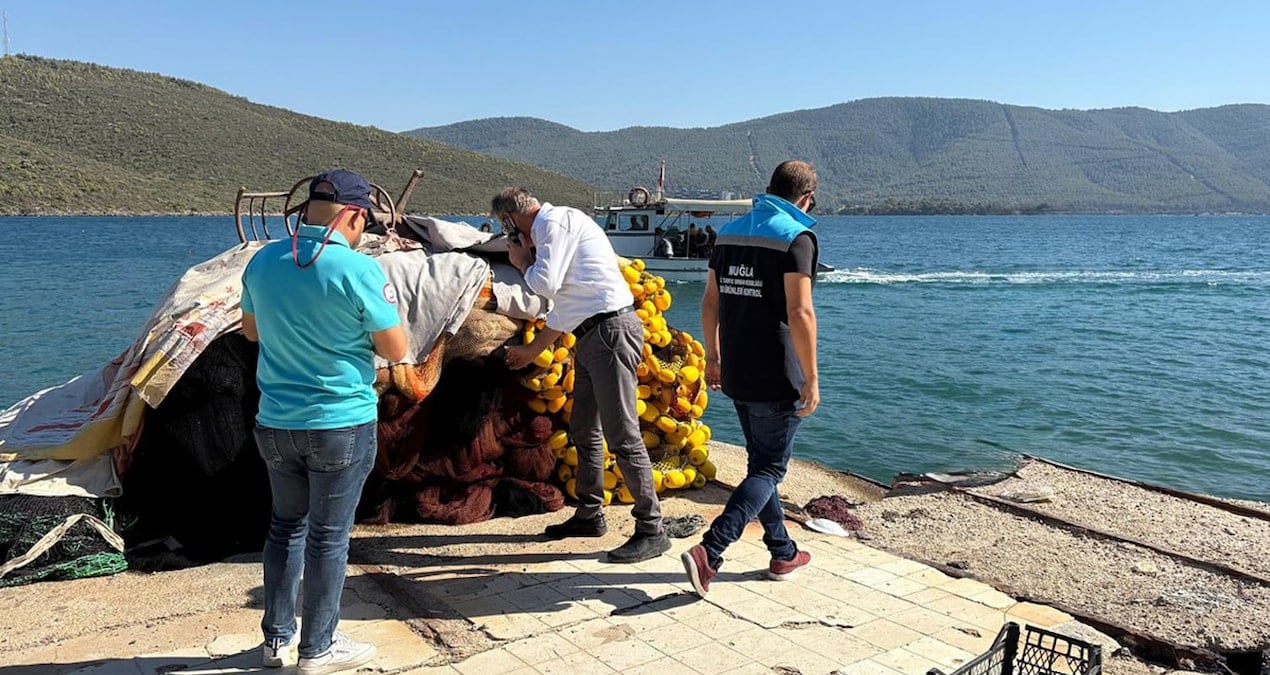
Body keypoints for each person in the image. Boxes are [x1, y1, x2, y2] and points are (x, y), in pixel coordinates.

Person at [241, 169, 409, 673]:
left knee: (284, 529)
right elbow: (395, 350)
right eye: (366, 223)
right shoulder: (359, 270)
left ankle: (275, 643)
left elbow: (251, 333)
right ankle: (318, 648)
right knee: (329, 538)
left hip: (274, 422)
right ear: (354, 216)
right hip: (340, 422)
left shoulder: (263, 260)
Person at [493, 186, 669, 564]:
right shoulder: (560, 223)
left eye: (504, 226)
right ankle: (590, 514)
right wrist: (534, 350)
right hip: (592, 334)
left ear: (509, 220)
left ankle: (652, 529)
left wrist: (523, 260)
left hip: (609, 332)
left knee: (623, 434)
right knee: (584, 429)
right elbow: (568, 306)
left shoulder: (552, 226)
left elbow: (546, 285)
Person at [681, 160, 820, 597]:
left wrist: (713, 357)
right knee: (771, 468)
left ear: (768, 188)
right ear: (807, 198)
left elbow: (710, 301)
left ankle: (783, 551)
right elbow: (800, 312)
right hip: (778, 372)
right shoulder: (797, 237)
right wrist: (811, 377)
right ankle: (711, 550)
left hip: (737, 367)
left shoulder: (729, 232)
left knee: (761, 466)